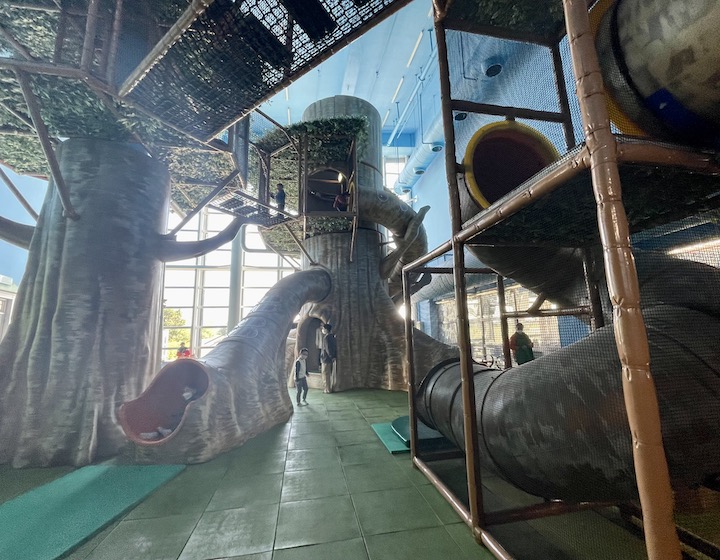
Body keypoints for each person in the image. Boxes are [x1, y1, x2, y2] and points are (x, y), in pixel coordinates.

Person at [320, 323, 337, 393]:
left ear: (326, 330)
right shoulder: (332, 337)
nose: (322, 330)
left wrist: (331, 356)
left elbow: (328, 349)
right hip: (331, 358)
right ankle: (329, 388)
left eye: (323, 329)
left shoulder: (326, 337)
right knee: (329, 374)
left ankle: (327, 389)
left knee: (326, 374)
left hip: (326, 358)